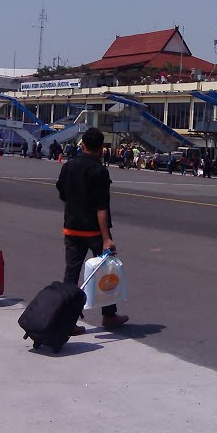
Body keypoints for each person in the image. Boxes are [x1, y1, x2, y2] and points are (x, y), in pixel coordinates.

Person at [57, 127, 128, 332]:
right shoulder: (99, 170)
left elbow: (62, 191)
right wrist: (107, 238)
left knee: (71, 274)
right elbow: (101, 206)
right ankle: (109, 314)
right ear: (101, 148)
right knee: (106, 272)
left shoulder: (69, 166)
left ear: (83, 145)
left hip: (71, 228)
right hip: (94, 232)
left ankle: (67, 320)